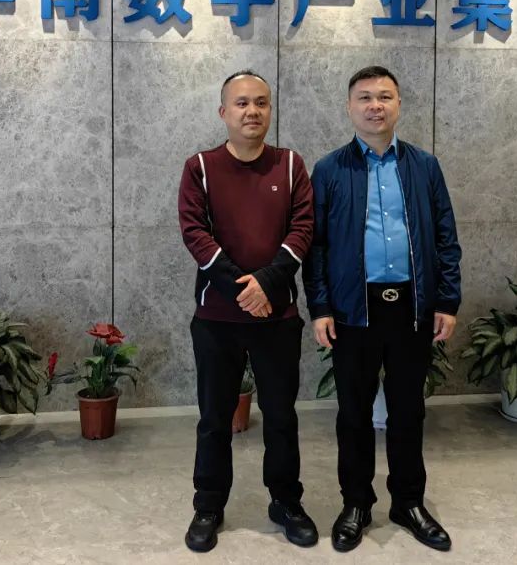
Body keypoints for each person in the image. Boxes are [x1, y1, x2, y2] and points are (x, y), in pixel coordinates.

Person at [304, 65, 462, 553]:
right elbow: (316, 246)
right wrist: (321, 306)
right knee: (353, 412)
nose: (375, 105)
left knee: (408, 410)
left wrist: (447, 299)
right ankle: (355, 504)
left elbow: (445, 236)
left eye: (385, 96)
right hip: (354, 309)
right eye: (365, 97)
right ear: (349, 107)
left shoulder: (424, 166)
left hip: (412, 306)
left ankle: (408, 502)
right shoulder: (330, 170)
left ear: (398, 105)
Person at [177, 69, 319, 553]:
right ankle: (208, 506)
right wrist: (244, 288)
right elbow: (194, 232)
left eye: (260, 102)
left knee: (280, 416)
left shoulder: (291, 164)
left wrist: (268, 284)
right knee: (214, 419)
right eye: (241, 103)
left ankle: (286, 503)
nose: (252, 111)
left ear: (270, 110)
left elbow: (303, 228)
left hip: (277, 319)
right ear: (224, 112)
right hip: (216, 319)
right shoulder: (200, 166)